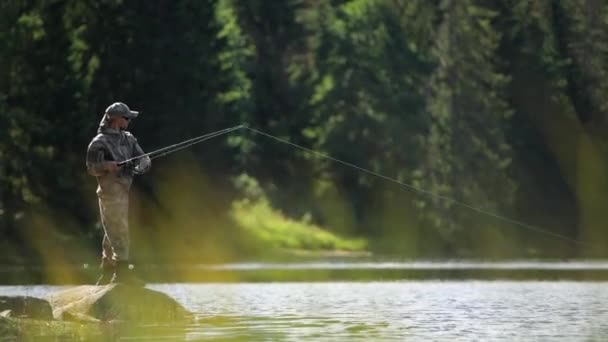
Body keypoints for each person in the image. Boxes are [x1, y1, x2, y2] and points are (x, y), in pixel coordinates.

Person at [86, 102, 151, 285]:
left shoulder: (129, 138)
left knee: (112, 230)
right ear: (115, 119)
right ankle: (122, 272)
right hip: (109, 192)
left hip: (124, 189)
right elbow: (91, 168)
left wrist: (143, 164)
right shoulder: (99, 143)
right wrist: (107, 166)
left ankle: (106, 271)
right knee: (119, 229)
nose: (129, 120)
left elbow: (142, 157)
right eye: (126, 117)